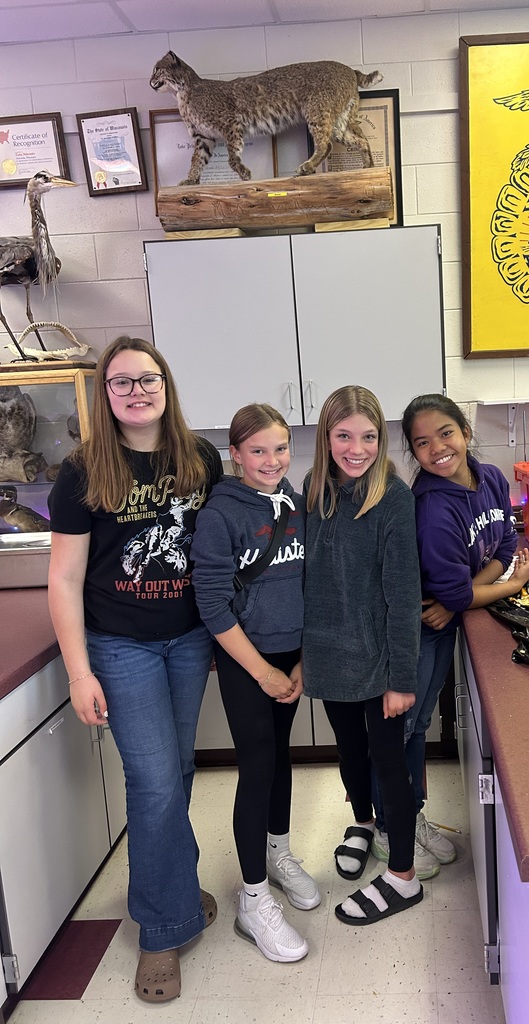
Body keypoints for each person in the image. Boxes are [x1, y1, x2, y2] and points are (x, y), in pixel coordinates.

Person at [47, 336, 223, 1004]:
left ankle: (173, 887)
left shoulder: (199, 458)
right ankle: (159, 932)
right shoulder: (83, 471)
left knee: (176, 773)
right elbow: (63, 580)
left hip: (188, 641)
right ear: (105, 395)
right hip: (121, 646)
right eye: (121, 383)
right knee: (153, 784)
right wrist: (79, 672)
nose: (137, 391)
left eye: (147, 379)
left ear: (166, 385)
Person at [372, 394, 529, 871]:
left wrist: (461, 594)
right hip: (414, 629)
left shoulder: (491, 478)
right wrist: (510, 584)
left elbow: (505, 542)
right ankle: (389, 824)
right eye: (421, 443)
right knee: (399, 728)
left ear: (465, 431)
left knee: (418, 724)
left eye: (445, 433)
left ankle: (412, 814)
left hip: (442, 621)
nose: (437, 448)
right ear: (413, 453)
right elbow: (467, 589)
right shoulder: (431, 508)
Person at [190, 403, 318, 964]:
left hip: (292, 655)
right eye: (258, 450)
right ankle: (253, 898)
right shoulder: (221, 515)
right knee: (257, 764)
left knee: (280, 759)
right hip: (247, 661)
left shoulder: (297, 501)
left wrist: (302, 661)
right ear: (235, 455)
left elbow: (316, 581)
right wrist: (262, 670)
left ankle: (279, 852)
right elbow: (212, 602)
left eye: (281, 448)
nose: (272, 460)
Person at [302, 385, 424, 925]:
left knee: (388, 762)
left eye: (369, 437)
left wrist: (403, 678)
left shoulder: (393, 498)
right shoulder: (314, 490)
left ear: (383, 438)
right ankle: (362, 822)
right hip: (329, 653)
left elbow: (403, 596)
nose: (357, 449)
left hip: (378, 662)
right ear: (326, 438)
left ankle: (402, 875)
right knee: (349, 753)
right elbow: (311, 579)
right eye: (344, 436)